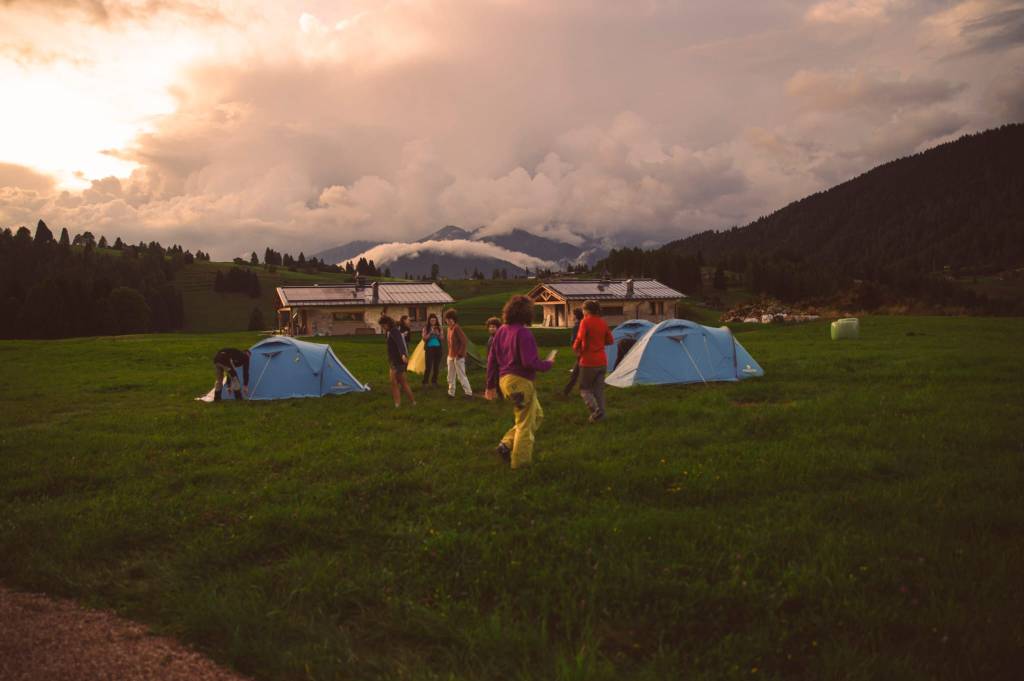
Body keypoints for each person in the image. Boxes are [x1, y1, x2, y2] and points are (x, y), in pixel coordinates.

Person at [485, 296, 554, 468]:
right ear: (527, 313)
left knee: (536, 415)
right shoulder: (523, 333)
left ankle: (506, 444)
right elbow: (529, 362)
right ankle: (520, 464)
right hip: (521, 383)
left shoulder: (501, 330)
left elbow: (492, 359)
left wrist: (490, 385)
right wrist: (547, 364)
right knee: (525, 424)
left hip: (505, 381)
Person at [572, 300, 613, 422]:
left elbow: (580, 338)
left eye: (583, 309)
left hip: (588, 361)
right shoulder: (602, 322)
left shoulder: (585, 322)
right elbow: (610, 341)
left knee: (584, 389)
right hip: (602, 361)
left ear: (586, 310)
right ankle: (601, 417)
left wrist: (576, 348)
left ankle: (596, 410)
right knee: (599, 391)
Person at [379, 315, 416, 408]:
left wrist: (403, 354)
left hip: (397, 361)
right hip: (394, 360)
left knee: (394, 382)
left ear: (387, 323)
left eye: (383, 325)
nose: (382, 327)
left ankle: (398, 404)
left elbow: (400, 343)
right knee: (402, 382)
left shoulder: (394, 331)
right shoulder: (390, 331)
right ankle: (412, 402)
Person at [444, 309, 473, 398]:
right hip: (450, 356)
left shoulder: (456, 328)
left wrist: (460, 354)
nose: (449, 321)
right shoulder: (449, 329)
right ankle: (451, 393)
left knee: (461, 376)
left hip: (458, 357)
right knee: (450, 376)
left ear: (454, 319)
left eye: (450, 319)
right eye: (447, 319)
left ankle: (468, 393)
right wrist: (449, 355)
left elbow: (464, 341)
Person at [562, 307, 584, 396]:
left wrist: (576, 349)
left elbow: (574, 340)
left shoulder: (577, 326)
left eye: (573, 314)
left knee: (576, 373)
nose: (572, 316)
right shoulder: (585, 324)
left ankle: (566, 392)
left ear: (576, 316)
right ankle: (566, 392)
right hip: (586, 352)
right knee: (577, 372)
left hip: (581, 352)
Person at [421, 313, 444, 386]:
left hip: (438, 348)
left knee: (436, 366)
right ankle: (425, 382)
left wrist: (438, 334)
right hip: (429, 349)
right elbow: (424, 338)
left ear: (436, 320)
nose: (433, 321)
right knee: (428, 366)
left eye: (434, 320)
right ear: (429, 321)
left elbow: (442, 338)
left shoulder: (439, 328)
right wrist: (430, 333)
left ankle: (434, 381)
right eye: (432, 320)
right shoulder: (426, 328)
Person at [485, 316, 503, 398]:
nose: (491, 328)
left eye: (494, 327)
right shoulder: (491, 337)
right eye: (490, 327)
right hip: (491, 362)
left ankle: (501, 396)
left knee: (498, 379)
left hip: (497, 363)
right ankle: (497, 394)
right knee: (493, 379)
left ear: (498, 328)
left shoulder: (498, 338)